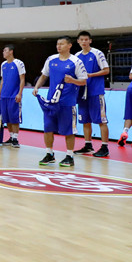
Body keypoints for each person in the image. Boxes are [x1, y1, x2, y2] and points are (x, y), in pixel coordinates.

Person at [32, 36, 88, 167]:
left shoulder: (76, 61)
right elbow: (44, 76)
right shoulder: (51, 59)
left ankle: (69, 156)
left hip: (67, 102)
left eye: (62, 44)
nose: (58, 46)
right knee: (48, 128)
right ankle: (49, 154)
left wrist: (72, 80)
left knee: (69, 130)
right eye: (57, 44)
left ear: (69, 45)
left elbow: (83, 81)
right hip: (51, 102)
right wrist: (36, 87)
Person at [73, 31, 110, 158]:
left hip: (95, 92)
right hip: (82, 93)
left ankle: (105, 147)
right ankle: (88, 145)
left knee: (101, 120)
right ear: (78, 41)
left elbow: (106, 70)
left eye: (86, 39)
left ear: (90, 41)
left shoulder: (97, 53)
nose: (84, 41)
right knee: (85, 120)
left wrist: (90, 75)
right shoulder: (77, 56)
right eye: (81, 39)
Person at [0, 45, 26, 148]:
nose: (3, 52)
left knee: (14, 118)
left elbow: (22, 79)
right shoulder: (3, 64)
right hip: (4, 95)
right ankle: (11, 137)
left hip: (14, 95)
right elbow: (3, 80)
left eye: (5, 50)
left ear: (11, 52)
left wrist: (20, 93)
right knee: (7, 118)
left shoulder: (19, 63)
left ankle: (15, 139)